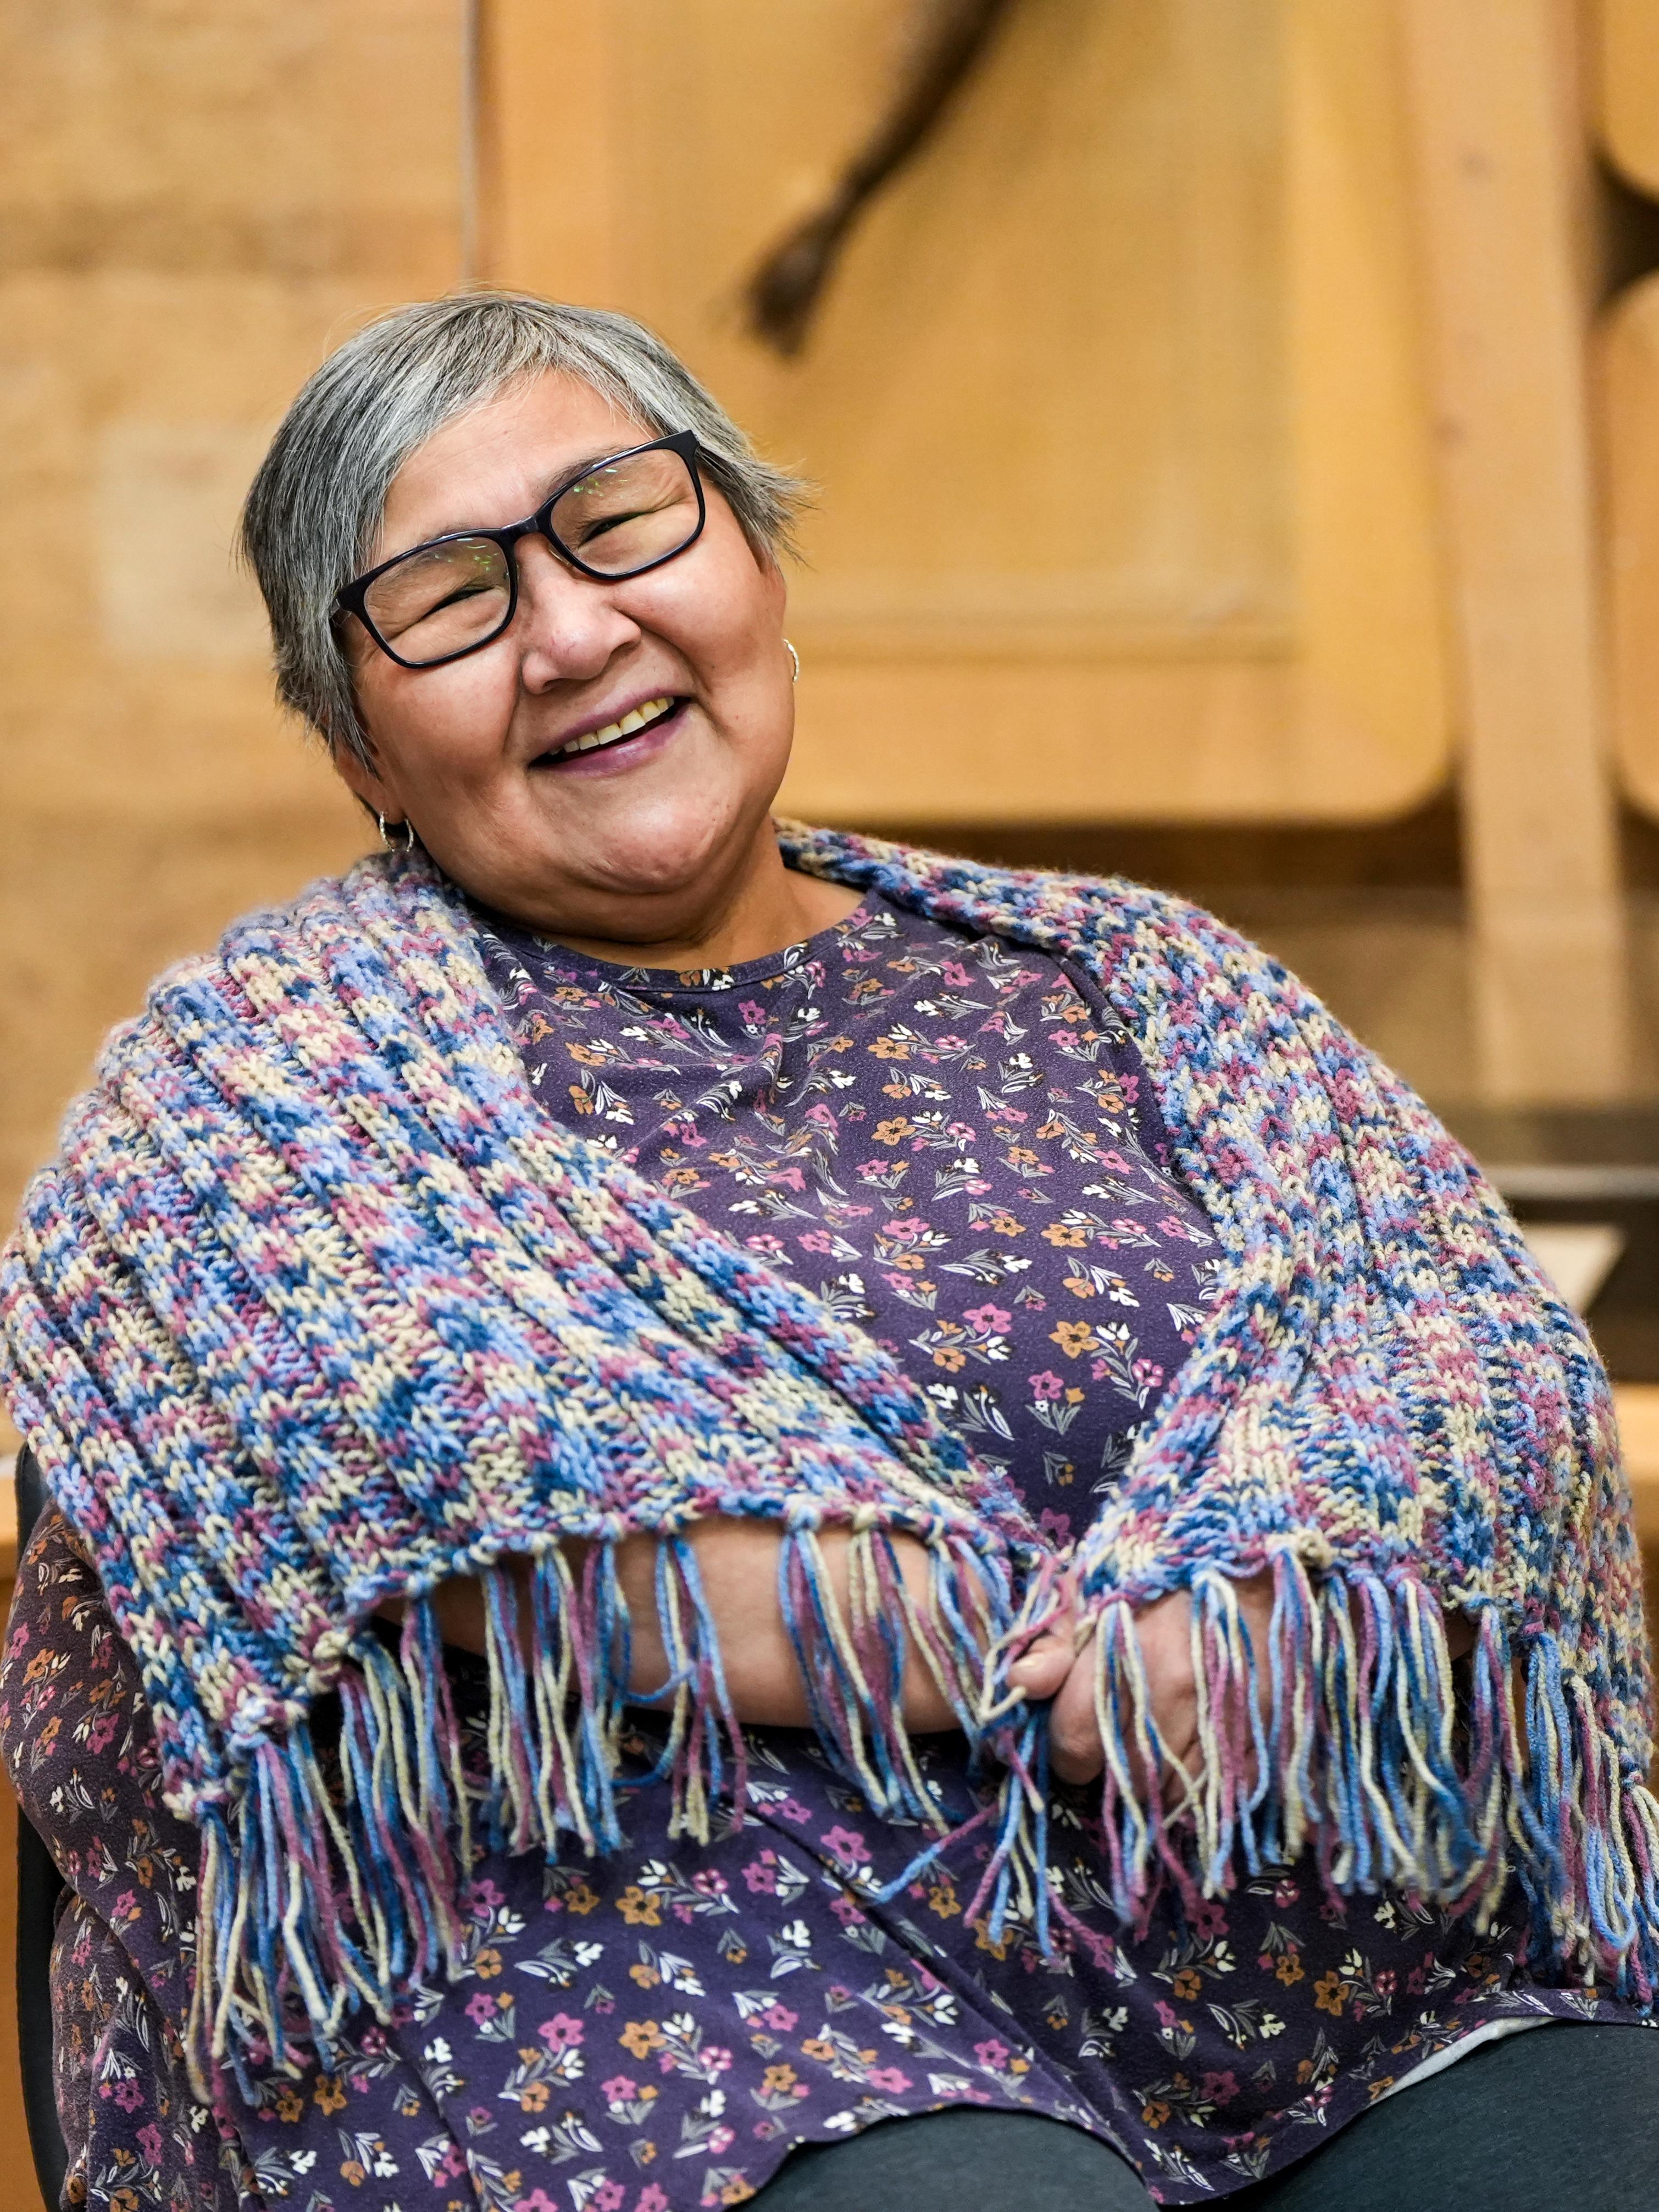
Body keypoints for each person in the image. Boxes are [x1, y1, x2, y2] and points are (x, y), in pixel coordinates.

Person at [4, 292, 1658, 2212]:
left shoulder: (1131, 977)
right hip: (630, 1957)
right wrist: (1052, 1657)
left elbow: (1460, 1364)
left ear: (757, 559)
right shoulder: (245, 1093)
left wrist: (1262, 1605)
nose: (569, 630)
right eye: (446, 599)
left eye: (620, 520)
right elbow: (419, 1496)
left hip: (1278, 1921)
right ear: (360, 747)